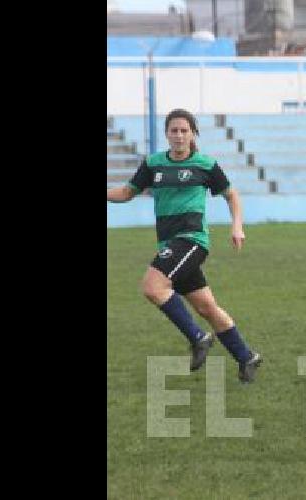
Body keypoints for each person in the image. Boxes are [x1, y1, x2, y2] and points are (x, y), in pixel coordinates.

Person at [106, 108, 263, 383]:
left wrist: (237, 226)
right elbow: (127, 192)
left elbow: (232, 195)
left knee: (153, 287)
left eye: (184, 130)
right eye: (173, 130)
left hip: (191, 241)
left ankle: (199, 337)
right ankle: (246, 357)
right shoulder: (154, 163)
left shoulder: (205, 165)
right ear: (166, 134)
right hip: (170, 244)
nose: (178, 135)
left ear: (193, 134)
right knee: (206, 307)